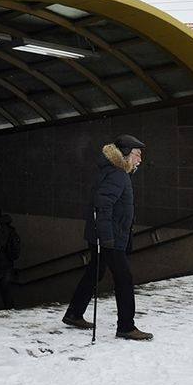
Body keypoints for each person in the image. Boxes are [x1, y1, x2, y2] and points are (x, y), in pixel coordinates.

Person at [62, 134, 153, 341]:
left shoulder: (115, 172)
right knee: (124, 279)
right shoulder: (117, 175)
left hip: (104, 236)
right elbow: (102, 207)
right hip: (110, 238)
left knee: (95, 271)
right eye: (138, 155)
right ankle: (126, 327)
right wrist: (108, 239)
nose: (140, 159)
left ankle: (74, 313)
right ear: (127, 154)